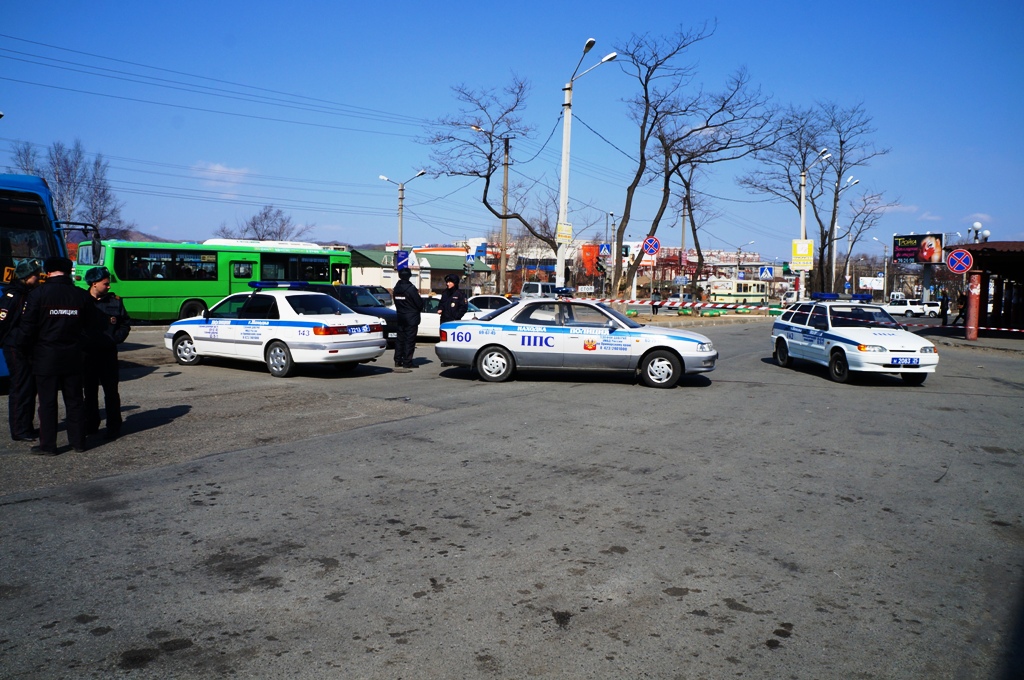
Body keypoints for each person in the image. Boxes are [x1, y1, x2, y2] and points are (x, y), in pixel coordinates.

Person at [18, 256, 97, 455]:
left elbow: (27, 329)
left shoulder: (38, 294)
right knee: (75, 400)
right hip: (73, 355)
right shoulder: (80, 295)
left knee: (47, 402)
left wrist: (23, 350)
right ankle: (78, 442)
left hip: (45, 356)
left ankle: (48, 446)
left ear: (48, 270)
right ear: (68, 270)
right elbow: (92, 328)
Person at [83, 267, 131, 440]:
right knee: (89, 392)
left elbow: (125, 324)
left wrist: (115, 338)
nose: (109, 286)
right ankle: (91, 425)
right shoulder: (83, 301)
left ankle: (113, 427)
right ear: (94, 284)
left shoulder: (115, 302)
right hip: (88, 354)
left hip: (108, 354)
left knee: (111, 392)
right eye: (105, 284)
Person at [0, 258, 44, 442]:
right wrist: (14, 341)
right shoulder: (13, 296)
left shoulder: (27, 293)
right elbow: (3, 323)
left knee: (29, 388)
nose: (38, 278)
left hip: (24, 347)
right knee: (20, 387)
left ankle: (26, 426)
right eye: (35, 275)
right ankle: (19, 430)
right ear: (27, 277)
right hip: (14, 347)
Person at [391, 268, 423, 371]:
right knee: (409, 340)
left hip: (400, 315)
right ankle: (407, 362)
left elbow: (396, 302)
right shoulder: (411, 289)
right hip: (411, 317)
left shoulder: (396, 288)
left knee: (400, 339)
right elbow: (419, 304)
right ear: (409, 276)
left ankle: (397, 360)